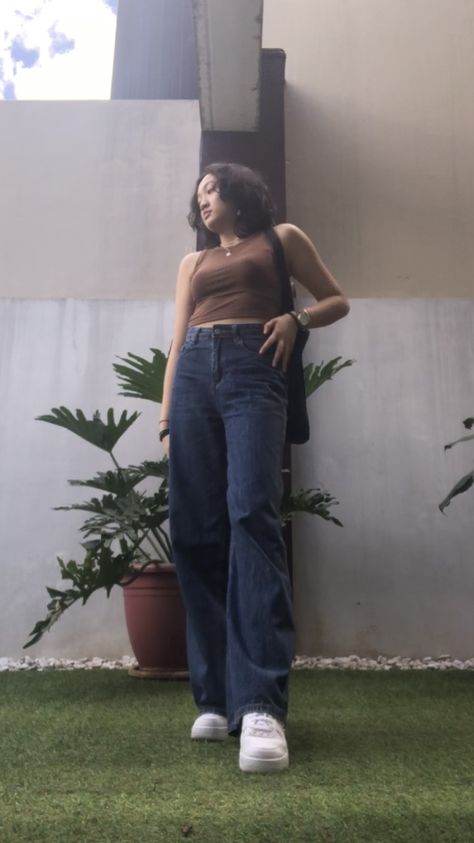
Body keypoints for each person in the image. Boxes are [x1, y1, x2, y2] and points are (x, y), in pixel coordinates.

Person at [159, 162, 350, 773]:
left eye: (213, 188)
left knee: (252, 518)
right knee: (193, 531)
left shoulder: (281, 239)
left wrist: (298, 319)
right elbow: (177, 339)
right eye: (199, 194)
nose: (204, 199)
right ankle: (216, 696)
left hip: (253, 371)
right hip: (193, 376)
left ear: (240, 192)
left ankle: (261, 704)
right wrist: (167, 417)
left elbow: (336, 299)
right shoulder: (192, 264)